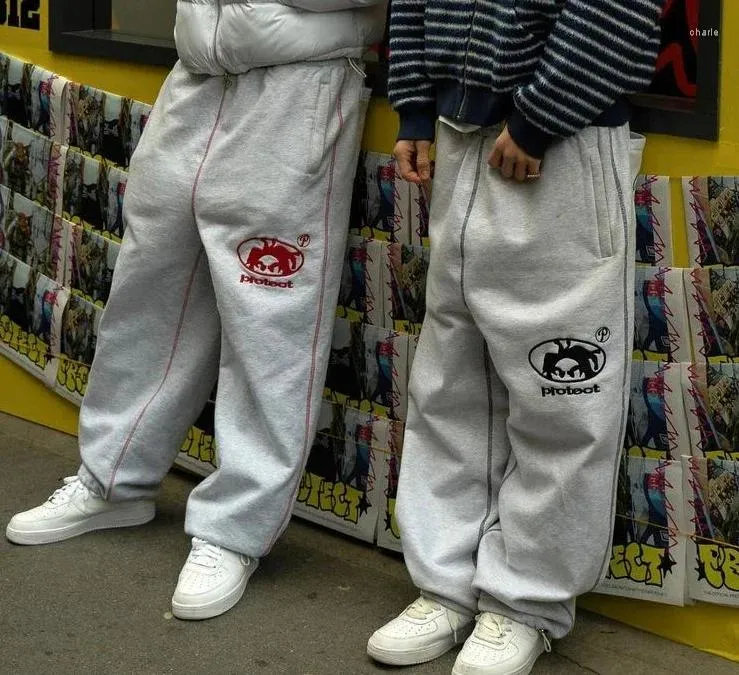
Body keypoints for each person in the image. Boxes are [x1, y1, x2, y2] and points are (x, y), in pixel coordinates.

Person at [6, 0, 385, 621]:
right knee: (146, 293)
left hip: (299, 86)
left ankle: (234, 530)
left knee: (269, 323)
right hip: (197, 74)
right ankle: (112, 479)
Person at [366, 1, 662, 673]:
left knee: (560, 395)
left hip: (560, 143)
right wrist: (415, 108)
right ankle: (445, 584)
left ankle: (526, 600)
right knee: (450, 380)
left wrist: (538, 118)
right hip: (457, 135)